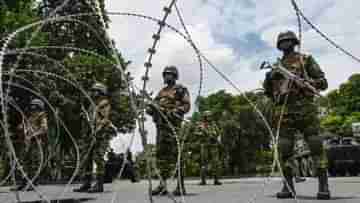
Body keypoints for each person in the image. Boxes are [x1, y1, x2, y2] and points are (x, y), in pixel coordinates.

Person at [263, 30, 330, 199]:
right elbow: (268, 92)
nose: (285, 43)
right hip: (284, 113)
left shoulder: (305, 60)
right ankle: (288, 188)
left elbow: (323, 82)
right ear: (279, 46)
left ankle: (324, 187)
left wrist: (307, 83)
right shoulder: (276, 67)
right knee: (284, 150)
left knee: (316, 147)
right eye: (282, 41)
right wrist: (271, 78)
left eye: (288, 40)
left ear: (294, 42)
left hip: (305, 110)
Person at [146, 66, 190, 196]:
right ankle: (162, 185)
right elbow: (152, 108)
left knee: (177, 155)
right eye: (165, 74)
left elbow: (186, 105)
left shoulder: (180, 89)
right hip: (161, 128)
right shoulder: (161, 92)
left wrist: (175, 111)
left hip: (173, 127)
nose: (166, 77)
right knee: (161, 157)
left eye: (169, 74)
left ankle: (180, 186)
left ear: (175, 76)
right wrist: (150, 108)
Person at [74, 82, 113, 193]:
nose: (92, 93)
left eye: (95, 91)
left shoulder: (104, 104)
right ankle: (87, 183)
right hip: (90, 135)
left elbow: (105, 119)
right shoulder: (93, 105)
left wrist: (98, 129)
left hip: (100, 135)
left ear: (101, 92)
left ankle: (99, 184)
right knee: (87, 159)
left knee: (98, 157)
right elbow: (91, 120)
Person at [12, 98, 48, 191]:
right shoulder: (30, 117)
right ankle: (24, 182)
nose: (32, 109)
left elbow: (44, 129)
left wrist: (33, 135)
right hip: (28, 143)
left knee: (34, 162)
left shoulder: (42, 116)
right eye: (31, 107)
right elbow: (26, 128)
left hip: (36, 143)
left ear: (39, 108)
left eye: (34, 107)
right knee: (25, 162)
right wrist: (21, 128)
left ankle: (34, 182)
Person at [196, 111, 222, 186]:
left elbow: (218, 133)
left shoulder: (213, 124)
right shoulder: (200, 125)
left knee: (216, 162)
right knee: (204, 163)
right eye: (208, 116)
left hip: (213, 145)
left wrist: (216, 137)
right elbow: (196, 133)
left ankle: (216, 180)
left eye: (210, 116)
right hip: (204, 145)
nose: (209, 117)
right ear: (205, 117)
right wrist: (202, 133)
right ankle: (203, 180)